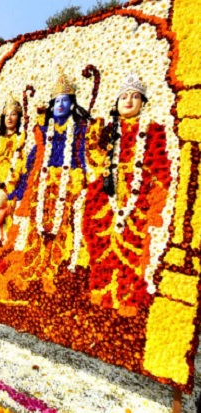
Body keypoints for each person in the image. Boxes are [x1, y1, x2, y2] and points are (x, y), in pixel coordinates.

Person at [83, 73, 171, 316]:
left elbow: (161, 167)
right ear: (116, 102)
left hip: (137, 196)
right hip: (106, 195)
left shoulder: (153, 130)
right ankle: (101, 288)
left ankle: (129, 296)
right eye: (124, 97)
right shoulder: (109, 129)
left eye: (135, 97)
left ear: (143, 102)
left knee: (134, 247)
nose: (129, 101)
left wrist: (154, 198)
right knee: (100, 244)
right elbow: (95, 161)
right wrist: (93, 137)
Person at [9, 69, 91, 293]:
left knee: (66, 228)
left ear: (72, 104)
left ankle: (63, 269)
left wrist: (84, 180)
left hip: (70, 183)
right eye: (57, 101)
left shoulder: (81, 128)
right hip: (44, 185)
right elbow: (35, 155)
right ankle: (38, 269)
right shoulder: (44, 130)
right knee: (38, 227)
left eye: (65, 101)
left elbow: (84, 155)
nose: (61, 105)